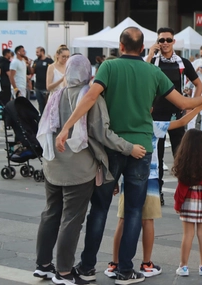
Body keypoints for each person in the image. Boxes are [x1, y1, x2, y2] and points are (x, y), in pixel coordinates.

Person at [55, 27, 202, 284]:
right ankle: (126, 270)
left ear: (121, 45)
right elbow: (183, 104)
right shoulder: (154, 71)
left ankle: (86, 267)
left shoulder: (109, 68)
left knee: (99, 209)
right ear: (143, 49)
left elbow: (90, 98)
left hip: (112, 148)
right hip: (141, 150)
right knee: (133, 212)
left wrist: (66, 128)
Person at [33, 54, 146, 285]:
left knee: (50, 214)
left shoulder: (57, 94)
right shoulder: (90, 97)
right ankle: (64, 272)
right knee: (71, 220)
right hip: (79, 170)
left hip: (53, 165)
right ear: (88, 72)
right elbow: (103, 134)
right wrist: (129, 148)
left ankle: (43, 265)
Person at [104, 105, 202, 279]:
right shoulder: (153, 125)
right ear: (151, 109)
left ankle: (114, 263)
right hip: (150, 176)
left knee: (123, 220)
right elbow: (182, 122)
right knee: (148, 221)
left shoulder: (125, 126)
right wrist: (200, 107)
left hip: (127, 177)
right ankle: (146, 263)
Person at [146, 27, 202, 206]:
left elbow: (198, 84)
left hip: (177, 116)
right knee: (158, 156)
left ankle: (184, 190)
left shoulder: (182, 62)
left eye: (168, 40)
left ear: (173, 42)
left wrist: (190, 106)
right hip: (156, 115)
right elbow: (143, 76)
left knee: (182, 154)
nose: (164, 43)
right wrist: (150, 54)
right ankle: (159, 193)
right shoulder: (153, 61)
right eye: (161, 40)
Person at [173, 104, 202, 277]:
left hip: (189, 197)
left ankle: (183, 266)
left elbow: (181, 187)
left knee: (188, 234)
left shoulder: (184, 163)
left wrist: (178, 204)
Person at [31, 47, 54, 115]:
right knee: (40, 104)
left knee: (47, 104)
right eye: (36, 52)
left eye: (37, 52)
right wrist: (29, 65)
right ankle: (41, 118)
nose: (36, 54)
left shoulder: (49, 61)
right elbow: (32, 71)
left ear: (42, 52)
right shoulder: (36, 61)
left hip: (46, 87)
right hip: (38, 86)